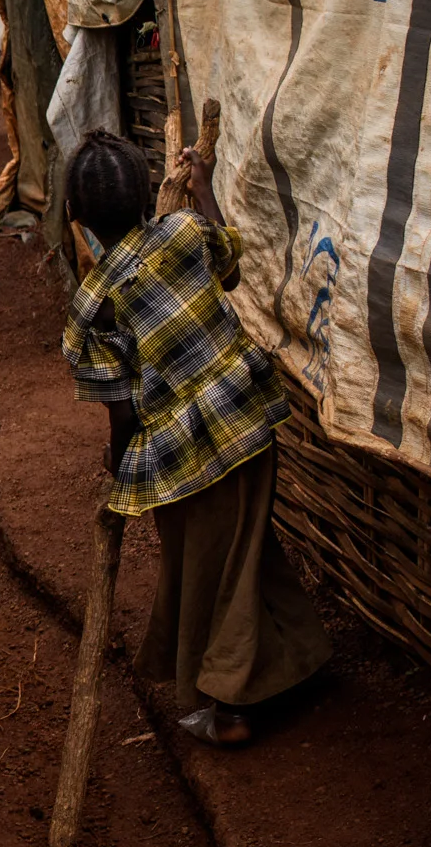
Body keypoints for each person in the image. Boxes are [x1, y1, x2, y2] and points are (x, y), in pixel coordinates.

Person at [59, 132, 331, 745]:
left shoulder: (91, 308)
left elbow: (122, 410)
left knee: (213, 568)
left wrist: (118, 463)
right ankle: (297, 662)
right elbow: (229, 270)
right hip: (248, 417)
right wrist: (204, 189)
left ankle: (230, 709)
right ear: (147, 193)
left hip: (183, 456)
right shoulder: (184, 231)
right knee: (246, 546)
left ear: (75, 215)